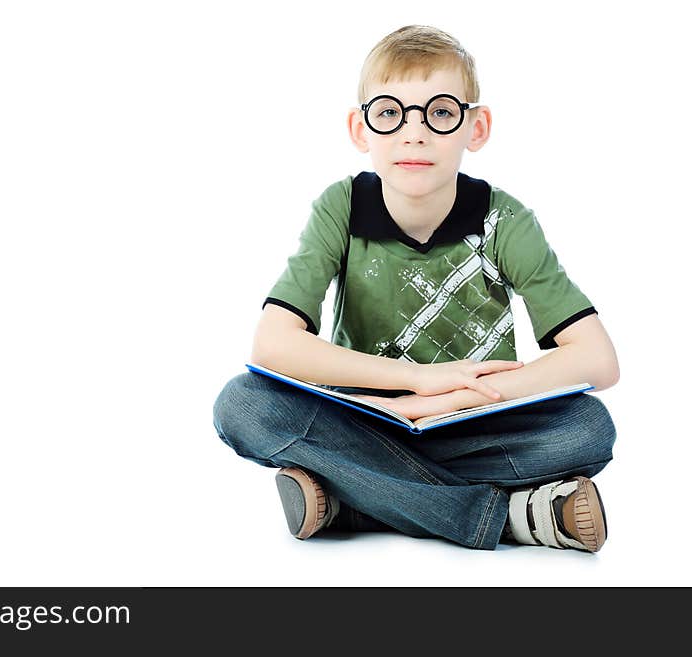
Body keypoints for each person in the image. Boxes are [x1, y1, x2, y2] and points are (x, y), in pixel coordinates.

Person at [212, 25, 619, 552]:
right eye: (389, 114)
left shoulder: (505, 220)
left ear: (476, 127)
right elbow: (272, 345)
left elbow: (597, 359)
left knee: (586, 428)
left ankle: (354, 500)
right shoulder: (341, 207)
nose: (414, 134)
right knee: (242, 405)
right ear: (361, 129)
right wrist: (415, 383)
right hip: (364, 419)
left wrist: (450, 400)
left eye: (441, 113)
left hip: (470, 424)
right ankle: (508, 518)